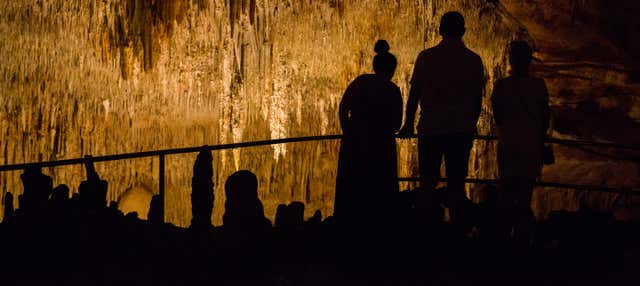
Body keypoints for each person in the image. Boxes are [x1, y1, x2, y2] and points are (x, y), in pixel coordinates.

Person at [398, 11, 485, 222]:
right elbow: (476, 100)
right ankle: (457, 232)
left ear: (440, 30)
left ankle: (426, 230)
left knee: (427, 182)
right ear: (463, 31)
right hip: (460, 130)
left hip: (431, 128)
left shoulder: (426, 57)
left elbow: (415, 94)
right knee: (456, 184)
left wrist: (408, 123)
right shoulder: (473, 60)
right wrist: (471, 125)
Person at [334, 39, 403, 224]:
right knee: (380, 189)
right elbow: (397, 124)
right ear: (392, 70)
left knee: (353, 186)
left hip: (355, 142)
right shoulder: (393, 90)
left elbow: (342, 108)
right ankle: (380, 225)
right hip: (381, 146)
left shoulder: (360, 82)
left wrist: (347, 130)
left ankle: (348, 224)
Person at [491, 40, 550, 243]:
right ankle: (522, 238)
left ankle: (502, 237)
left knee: (506, 191)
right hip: (531, 145)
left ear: (510, 60)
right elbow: (545, 118)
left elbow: (497, 116)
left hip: (509, 144)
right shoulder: (538, 86)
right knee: (525, 193)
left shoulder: (502, 85)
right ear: (529, 61)